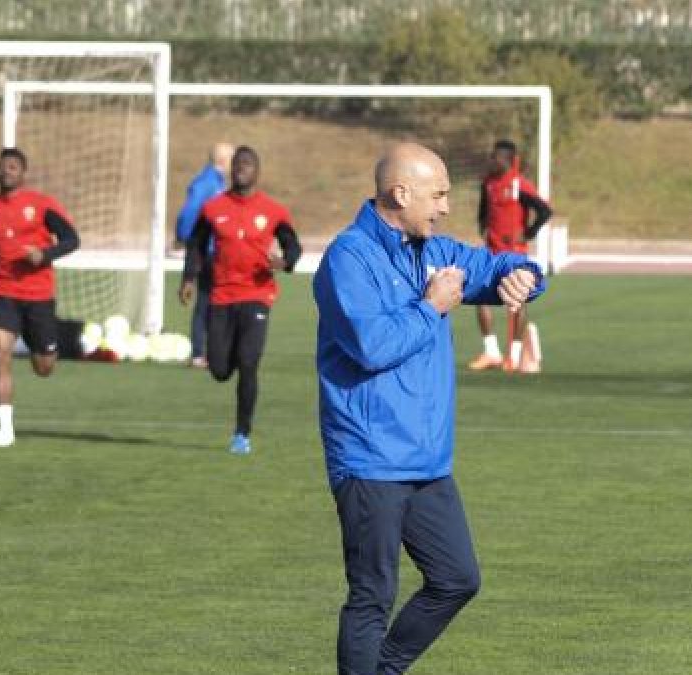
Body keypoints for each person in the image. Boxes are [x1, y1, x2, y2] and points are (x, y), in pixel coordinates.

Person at [313, 142, 544, 674]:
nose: (445, 207)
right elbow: (371, 346)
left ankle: (382, 670)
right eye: (437, 195)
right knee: (372, 595)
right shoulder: (349, 258)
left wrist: (524, 277)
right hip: (370, 456)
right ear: (400, 193)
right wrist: (433, 306)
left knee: (457, 577)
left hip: (426, 459)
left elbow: (496, 263)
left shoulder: (434, 249)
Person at [179, 145, 301, 455]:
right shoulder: (213, 207)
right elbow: (195, 243)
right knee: (219, 369)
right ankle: (229, 355)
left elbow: (293, 246)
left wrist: (285, 262)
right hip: (221, 296)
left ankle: (241, 434)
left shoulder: (274, 210)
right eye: (236, 165)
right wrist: (189, 279)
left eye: (246, 165)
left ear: (257, 171)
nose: (240, 170)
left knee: (249, 364)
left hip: (257, 295)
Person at [0, 147, 80, 447]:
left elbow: (72, 239)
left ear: (23, 172)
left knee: (44, 367)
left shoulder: (43, 206)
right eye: (3, 167)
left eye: (13, 167)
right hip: (3, 293)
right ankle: (5, 428)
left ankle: (43, 344)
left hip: (39, 296)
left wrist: (44, 255)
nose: (7, 172)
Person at [469, 139, 553, 373]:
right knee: (480, 297)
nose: (491, 161)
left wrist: (529, 233)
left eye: (495, 157)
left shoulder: (519, 184)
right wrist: (483, 227)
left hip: (514, 254)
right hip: (491, 251)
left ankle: (514, 356)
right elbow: (483, 209)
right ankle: (491, 351)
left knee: (516, 301)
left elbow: (545, 211)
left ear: (507, 160)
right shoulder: (489, 182)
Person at [174, 142, 235, 368]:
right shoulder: (207, 182)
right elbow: (190, 212)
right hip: (206, 250)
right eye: (232, 157)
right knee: (207, 300)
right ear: (222, 159)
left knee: (212, 300)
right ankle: (201, 353)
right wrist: (185, 236)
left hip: (214, 249)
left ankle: (208, 351)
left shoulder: (217, 182)